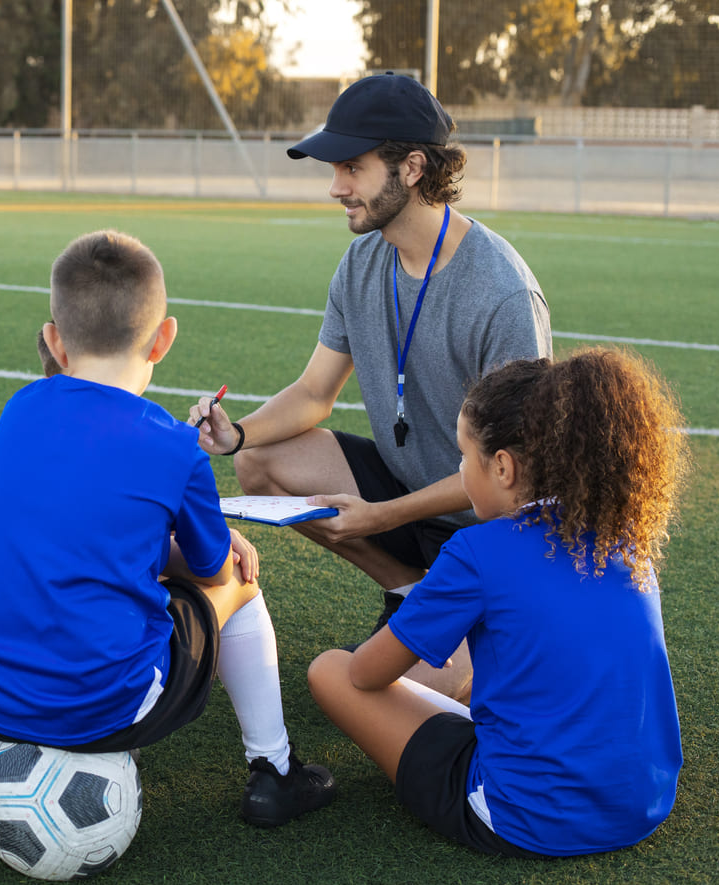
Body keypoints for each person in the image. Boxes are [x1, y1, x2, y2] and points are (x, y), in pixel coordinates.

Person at [0, 230, 337, 827]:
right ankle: (275, 771)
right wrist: (200, 550)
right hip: (103, 703)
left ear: (54, 341)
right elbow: (209, 570)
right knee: (239, 577)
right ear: (164, 338)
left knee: (35, 569)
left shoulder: (20, 408)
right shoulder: (172, 445)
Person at [191, 72, 552, 698]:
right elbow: (313, 394)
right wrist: (237, 432)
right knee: (260, 459)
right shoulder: (362, 260)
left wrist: (380, 515)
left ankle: (469, 623)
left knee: (405, 692)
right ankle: (408, 589)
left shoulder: (501, 293)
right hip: (409, 495)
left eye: (351, 168)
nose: (335, 188)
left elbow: (513, 474)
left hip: (492, 527)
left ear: (412, 168)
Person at [306, 348, 688, 857]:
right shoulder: (624, 534)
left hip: (525, 816)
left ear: (503, 467)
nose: (461, 472)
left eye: (464, 458)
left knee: (329, 669)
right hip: (643, 801)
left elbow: (365, 676)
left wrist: (425, 600)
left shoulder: (477, 551)